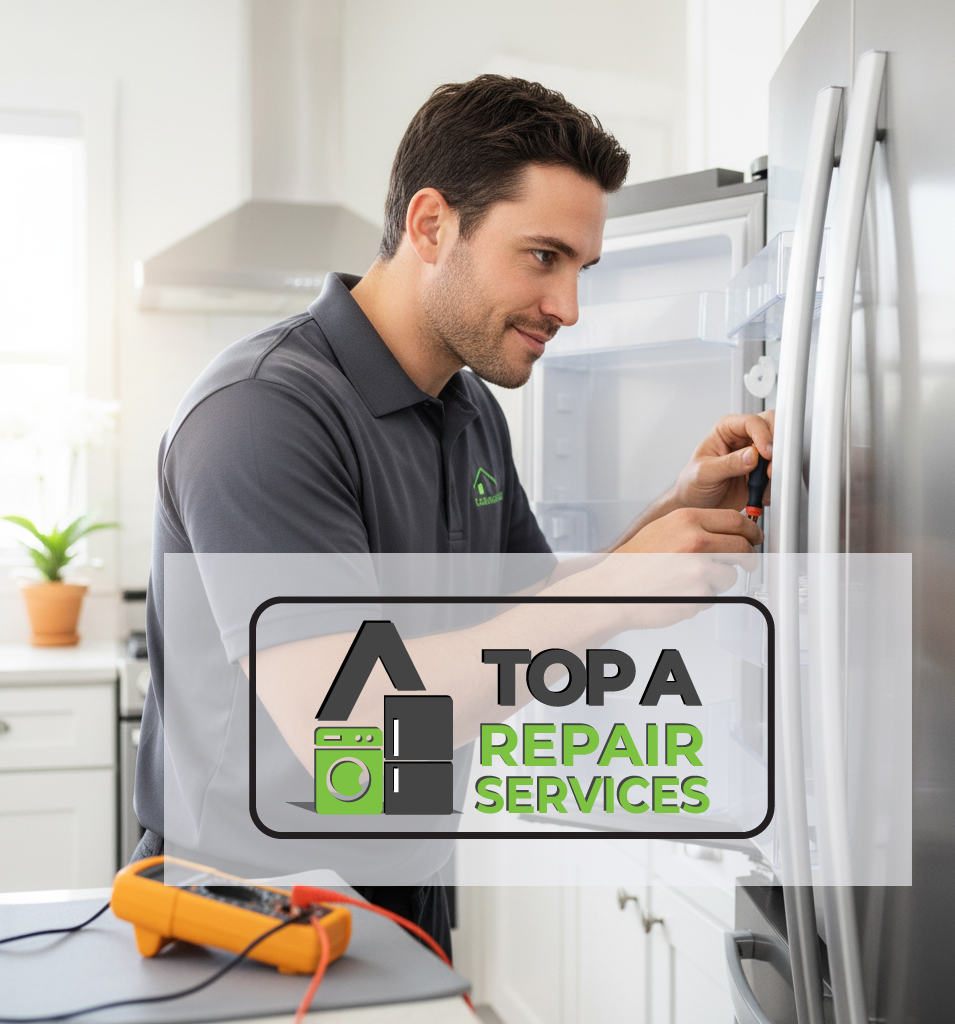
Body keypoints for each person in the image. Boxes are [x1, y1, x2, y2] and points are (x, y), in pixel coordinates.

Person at [134, 75, 773, 958]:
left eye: (580, 269)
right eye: (543, 256)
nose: (569, 308)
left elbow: (531, 603)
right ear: (432, 226)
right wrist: (621, 589)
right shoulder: (263, 413)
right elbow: (348, 725)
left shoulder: (466, 408)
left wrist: (675, 510)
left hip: (405, 887)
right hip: (248, 916)